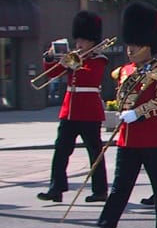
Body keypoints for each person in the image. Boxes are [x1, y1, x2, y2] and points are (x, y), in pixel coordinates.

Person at [80, 2, 157, 228]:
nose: (131, 49)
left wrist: (140, 113)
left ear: (149, 44)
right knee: (120, 187)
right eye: (130, 44)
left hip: (153, 136)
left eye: (136, 45)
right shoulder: (124, 71)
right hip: (128, 137)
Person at [38, 10, 109, 204]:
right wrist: (50, 58)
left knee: (94, 151)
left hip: (89, 111)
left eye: (83, 41)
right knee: (61, 149)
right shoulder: (74, 57)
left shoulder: (99, 59)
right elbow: (53, 73)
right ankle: (56, 187)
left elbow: (89, 77)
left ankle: (100, 190)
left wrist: (74, 63)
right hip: (70, 111)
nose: (79, 44)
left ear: (92, 42)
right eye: (78, 40)